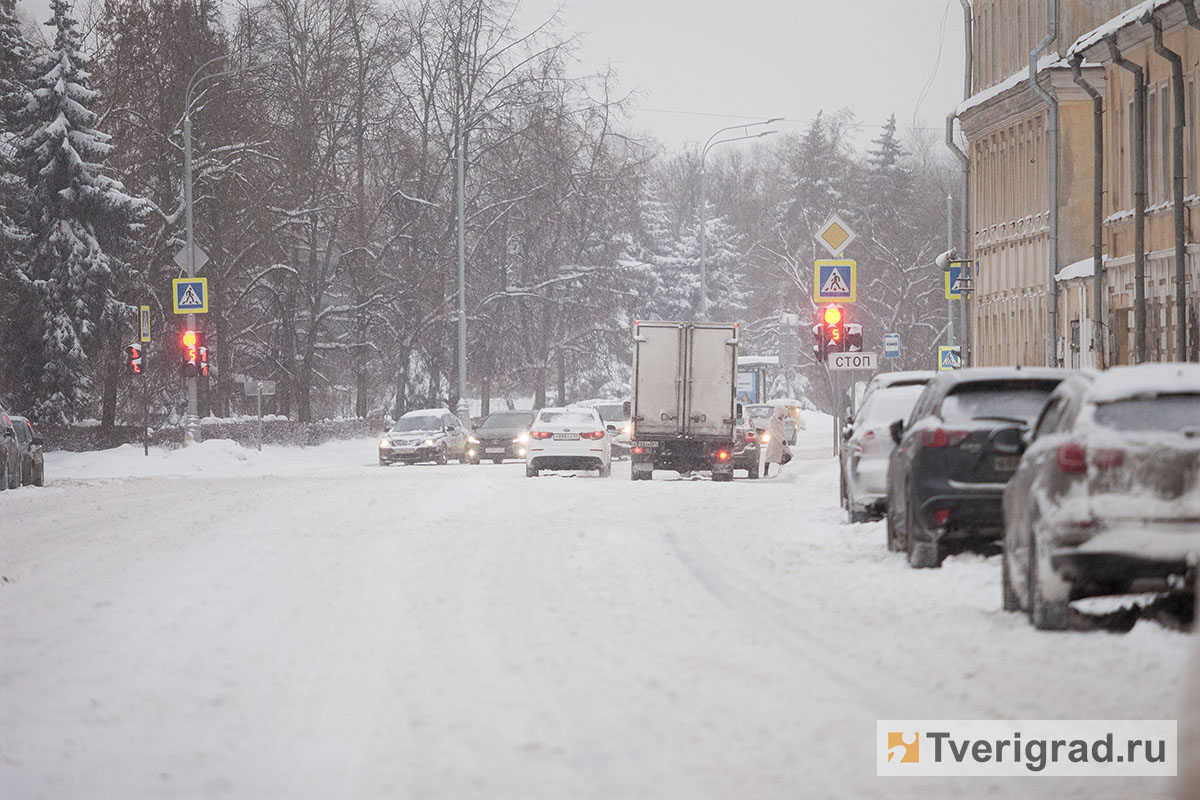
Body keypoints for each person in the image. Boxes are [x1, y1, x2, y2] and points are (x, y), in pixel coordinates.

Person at [763, 404, 793, 476]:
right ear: (778, 412)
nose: (783, 415)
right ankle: (765, 473)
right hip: (774, 442)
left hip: (781, 443)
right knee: (770, 457)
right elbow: (774, 431)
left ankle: (783, 470)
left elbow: (781, 432)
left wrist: (783, 440)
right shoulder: (772, 420)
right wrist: (782, 439)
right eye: (782, 413)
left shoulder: (781, 420)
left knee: (787, 456)